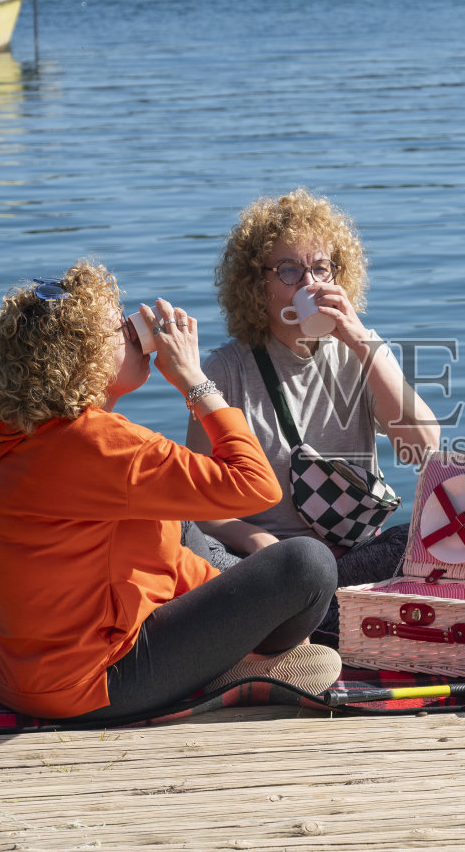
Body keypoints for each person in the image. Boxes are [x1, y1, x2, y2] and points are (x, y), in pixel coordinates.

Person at [0, 260, 342, 722]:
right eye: (119, 327)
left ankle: (231, 662)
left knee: (181, 523)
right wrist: (193, 378)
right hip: (90, 685)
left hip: (12, 677)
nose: (134, 328)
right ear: (81, 359)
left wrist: (238, 605)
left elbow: (160, 548)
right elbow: (256, 485)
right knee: (308, 565)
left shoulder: (11, 434)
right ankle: (234, 673)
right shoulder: (100, 445)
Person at [187, 190, 441, 597]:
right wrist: (255, 540)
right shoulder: (227, 370)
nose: (310, 283)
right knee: (195, 547)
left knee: (421, 538)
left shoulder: (361, 354)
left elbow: (425, 448)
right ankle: (322, 617)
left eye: (321, 269)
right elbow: (199, 507)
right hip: (272, 567)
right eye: (290, 270)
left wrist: (363, 342)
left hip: (353, 557)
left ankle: (318, 620)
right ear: (257, 283)